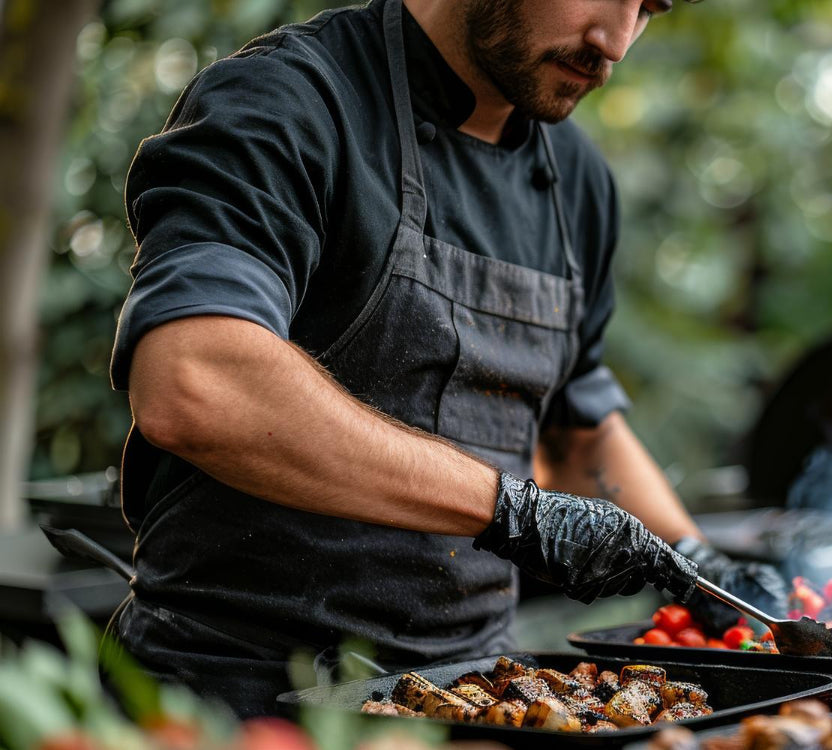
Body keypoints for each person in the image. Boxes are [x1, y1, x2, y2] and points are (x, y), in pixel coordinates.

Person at [107, 0, 783, 716]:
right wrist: (513, 511)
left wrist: (699, 565)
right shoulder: (288, 101)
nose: (614, 40)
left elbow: (578, 434)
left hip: (485, 698)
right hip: (239, 698)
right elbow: (196, 382)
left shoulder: (577, 179)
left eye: (651, 5)